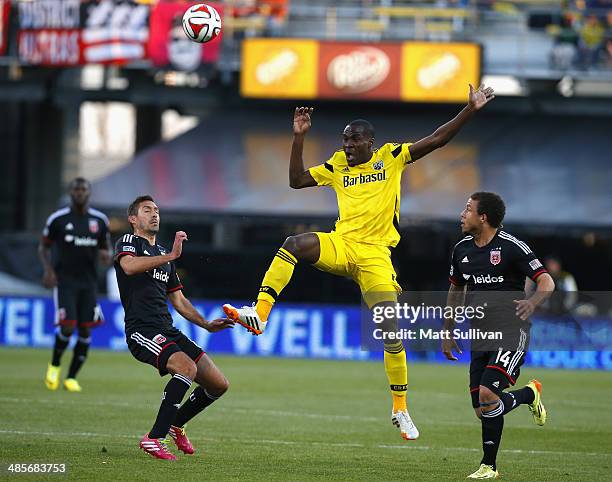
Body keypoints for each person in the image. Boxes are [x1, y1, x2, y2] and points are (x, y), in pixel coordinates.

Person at [223, 84, 496, 441]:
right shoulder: (337, 165)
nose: (346, 146)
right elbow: (295, 181)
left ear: (370, 142)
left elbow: (437, 139)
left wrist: (470, 110)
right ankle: (259, 313)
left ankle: (400, 408)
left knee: (390, 334)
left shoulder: (391, 156)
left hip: (376, 257)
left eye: (353, 140)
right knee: (293, 244)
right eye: (344, 139)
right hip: (342, 245)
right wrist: (298, 138)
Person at [442, 192, 555, 479]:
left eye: (467, 209)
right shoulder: (461, 250)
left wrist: (532, 303)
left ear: (484, 217)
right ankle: (530, 394)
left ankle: (488, 467)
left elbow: (546, 280)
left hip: (511, 331)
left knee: (488, 394)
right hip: (480, 334)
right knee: (483, 409)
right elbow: (456, 291)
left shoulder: (512, 247)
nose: (462, 214)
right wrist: (448, 330)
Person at [114, 195, 234, 460]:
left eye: (157, 210)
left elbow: (178, 300)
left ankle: (175, 423)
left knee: (218, 385)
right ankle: (154, 438)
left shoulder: (164, 257)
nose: (154, 214)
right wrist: (171, 255)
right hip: (141, 330)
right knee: (186, 368)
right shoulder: (128, 242)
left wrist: (205, 324)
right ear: (133, 219)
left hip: (168, 330)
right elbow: (129, 266)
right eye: (147, 210)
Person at [40, 178, 111, 392]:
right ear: (70, 193)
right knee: (68, 326)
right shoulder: (58, 219)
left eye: (83, 190)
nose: (80, 193)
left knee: (86, 330)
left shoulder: (99, 220)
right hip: (65, 282)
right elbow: (43, 247)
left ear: (89, 193)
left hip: (89, 283)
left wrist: (106, 255)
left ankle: (71, 377)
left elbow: (104, 245)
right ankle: (54, 366)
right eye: (76, 190)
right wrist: (48, 270)